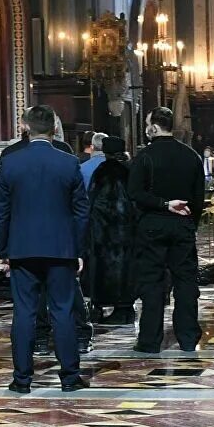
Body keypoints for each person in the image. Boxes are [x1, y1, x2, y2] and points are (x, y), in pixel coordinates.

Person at [0, 105, 90, 391]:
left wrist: (2, 251)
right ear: (54, 129)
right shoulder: (68, 162)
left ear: (25, 126)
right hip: (61, 249)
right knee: (62, 311)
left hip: (22, 250)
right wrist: (79, 249)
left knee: (24, 313)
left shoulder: (11, 163)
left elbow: (1, 212)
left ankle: (22, 379)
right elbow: (81, 211)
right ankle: (70, 378)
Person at [127, 107, 208, 353]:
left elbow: (134, 193)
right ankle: (187, 337)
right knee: (185, 282)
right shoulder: (192, 156)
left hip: (152, 223)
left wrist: (162, 204)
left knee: (152, 283)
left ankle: (150, 340)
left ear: (153, 127)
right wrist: (188, 221)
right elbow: (198, 197)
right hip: (182, 223)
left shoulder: (145, 156)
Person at [83, 135, 137, 324]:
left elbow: (94, 200)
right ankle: (126, 307)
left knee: (101, 268)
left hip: (104, 231)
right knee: (126, 268)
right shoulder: (129, 169)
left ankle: (100, 306)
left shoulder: (103, 171)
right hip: (127, 229)